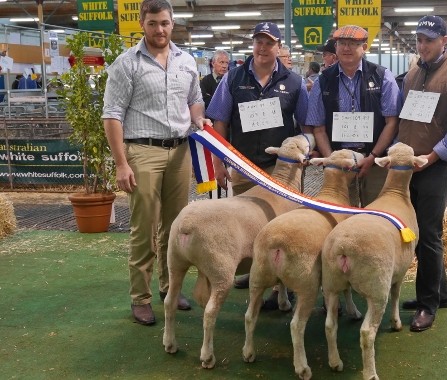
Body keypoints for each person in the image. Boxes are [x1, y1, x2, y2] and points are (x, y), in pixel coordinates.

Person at [102, 0, 210, 326]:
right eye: (153, 23)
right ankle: (141, 297)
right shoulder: (126, 64)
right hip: (142, 152)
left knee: (176, 227)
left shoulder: (187, 61)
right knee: (145, 227)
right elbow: (112, 115)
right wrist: (122, 164)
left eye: (164, 23)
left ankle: (170, 289)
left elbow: (194, 100)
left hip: (180, 152)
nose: (159, 29)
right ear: (142, 23)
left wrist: (200, 119)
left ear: (172, 23)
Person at [205, 22, 308, 307]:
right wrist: (219, 162)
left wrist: (302, 150)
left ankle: (280, 289)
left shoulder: (295, 82)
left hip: (282, 169)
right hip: (244, 165)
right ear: (253, 44)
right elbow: (220, 121)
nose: (263, 48)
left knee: (282, 225)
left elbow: (307, 124)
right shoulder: (234, 78)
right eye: (258, 42)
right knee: (248, 225)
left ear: (278, 47)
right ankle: (255, 277)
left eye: (269, 43)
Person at [397, 15, 447, 332]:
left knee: (429, 235)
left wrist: (434, 155)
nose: (423, 45)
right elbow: (407, 116)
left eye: (429, 39)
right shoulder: (413, 72)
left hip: (436, 164)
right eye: (419, 39)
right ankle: (439, 294)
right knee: (418, 231)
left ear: (445, 40)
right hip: (411, 164)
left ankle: (427, 305)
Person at [307, 25, 401, 207]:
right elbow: (318, 128)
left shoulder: (382, 76)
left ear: (364, 48)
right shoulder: (323, 81)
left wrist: (373, 157)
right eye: (341, 43)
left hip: (375, 162)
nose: (346, 48)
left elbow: (392, 122)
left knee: (376, 214)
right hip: (338, 162)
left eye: (353, 43)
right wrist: (332, 160)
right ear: (335, 47)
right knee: (339, 215)